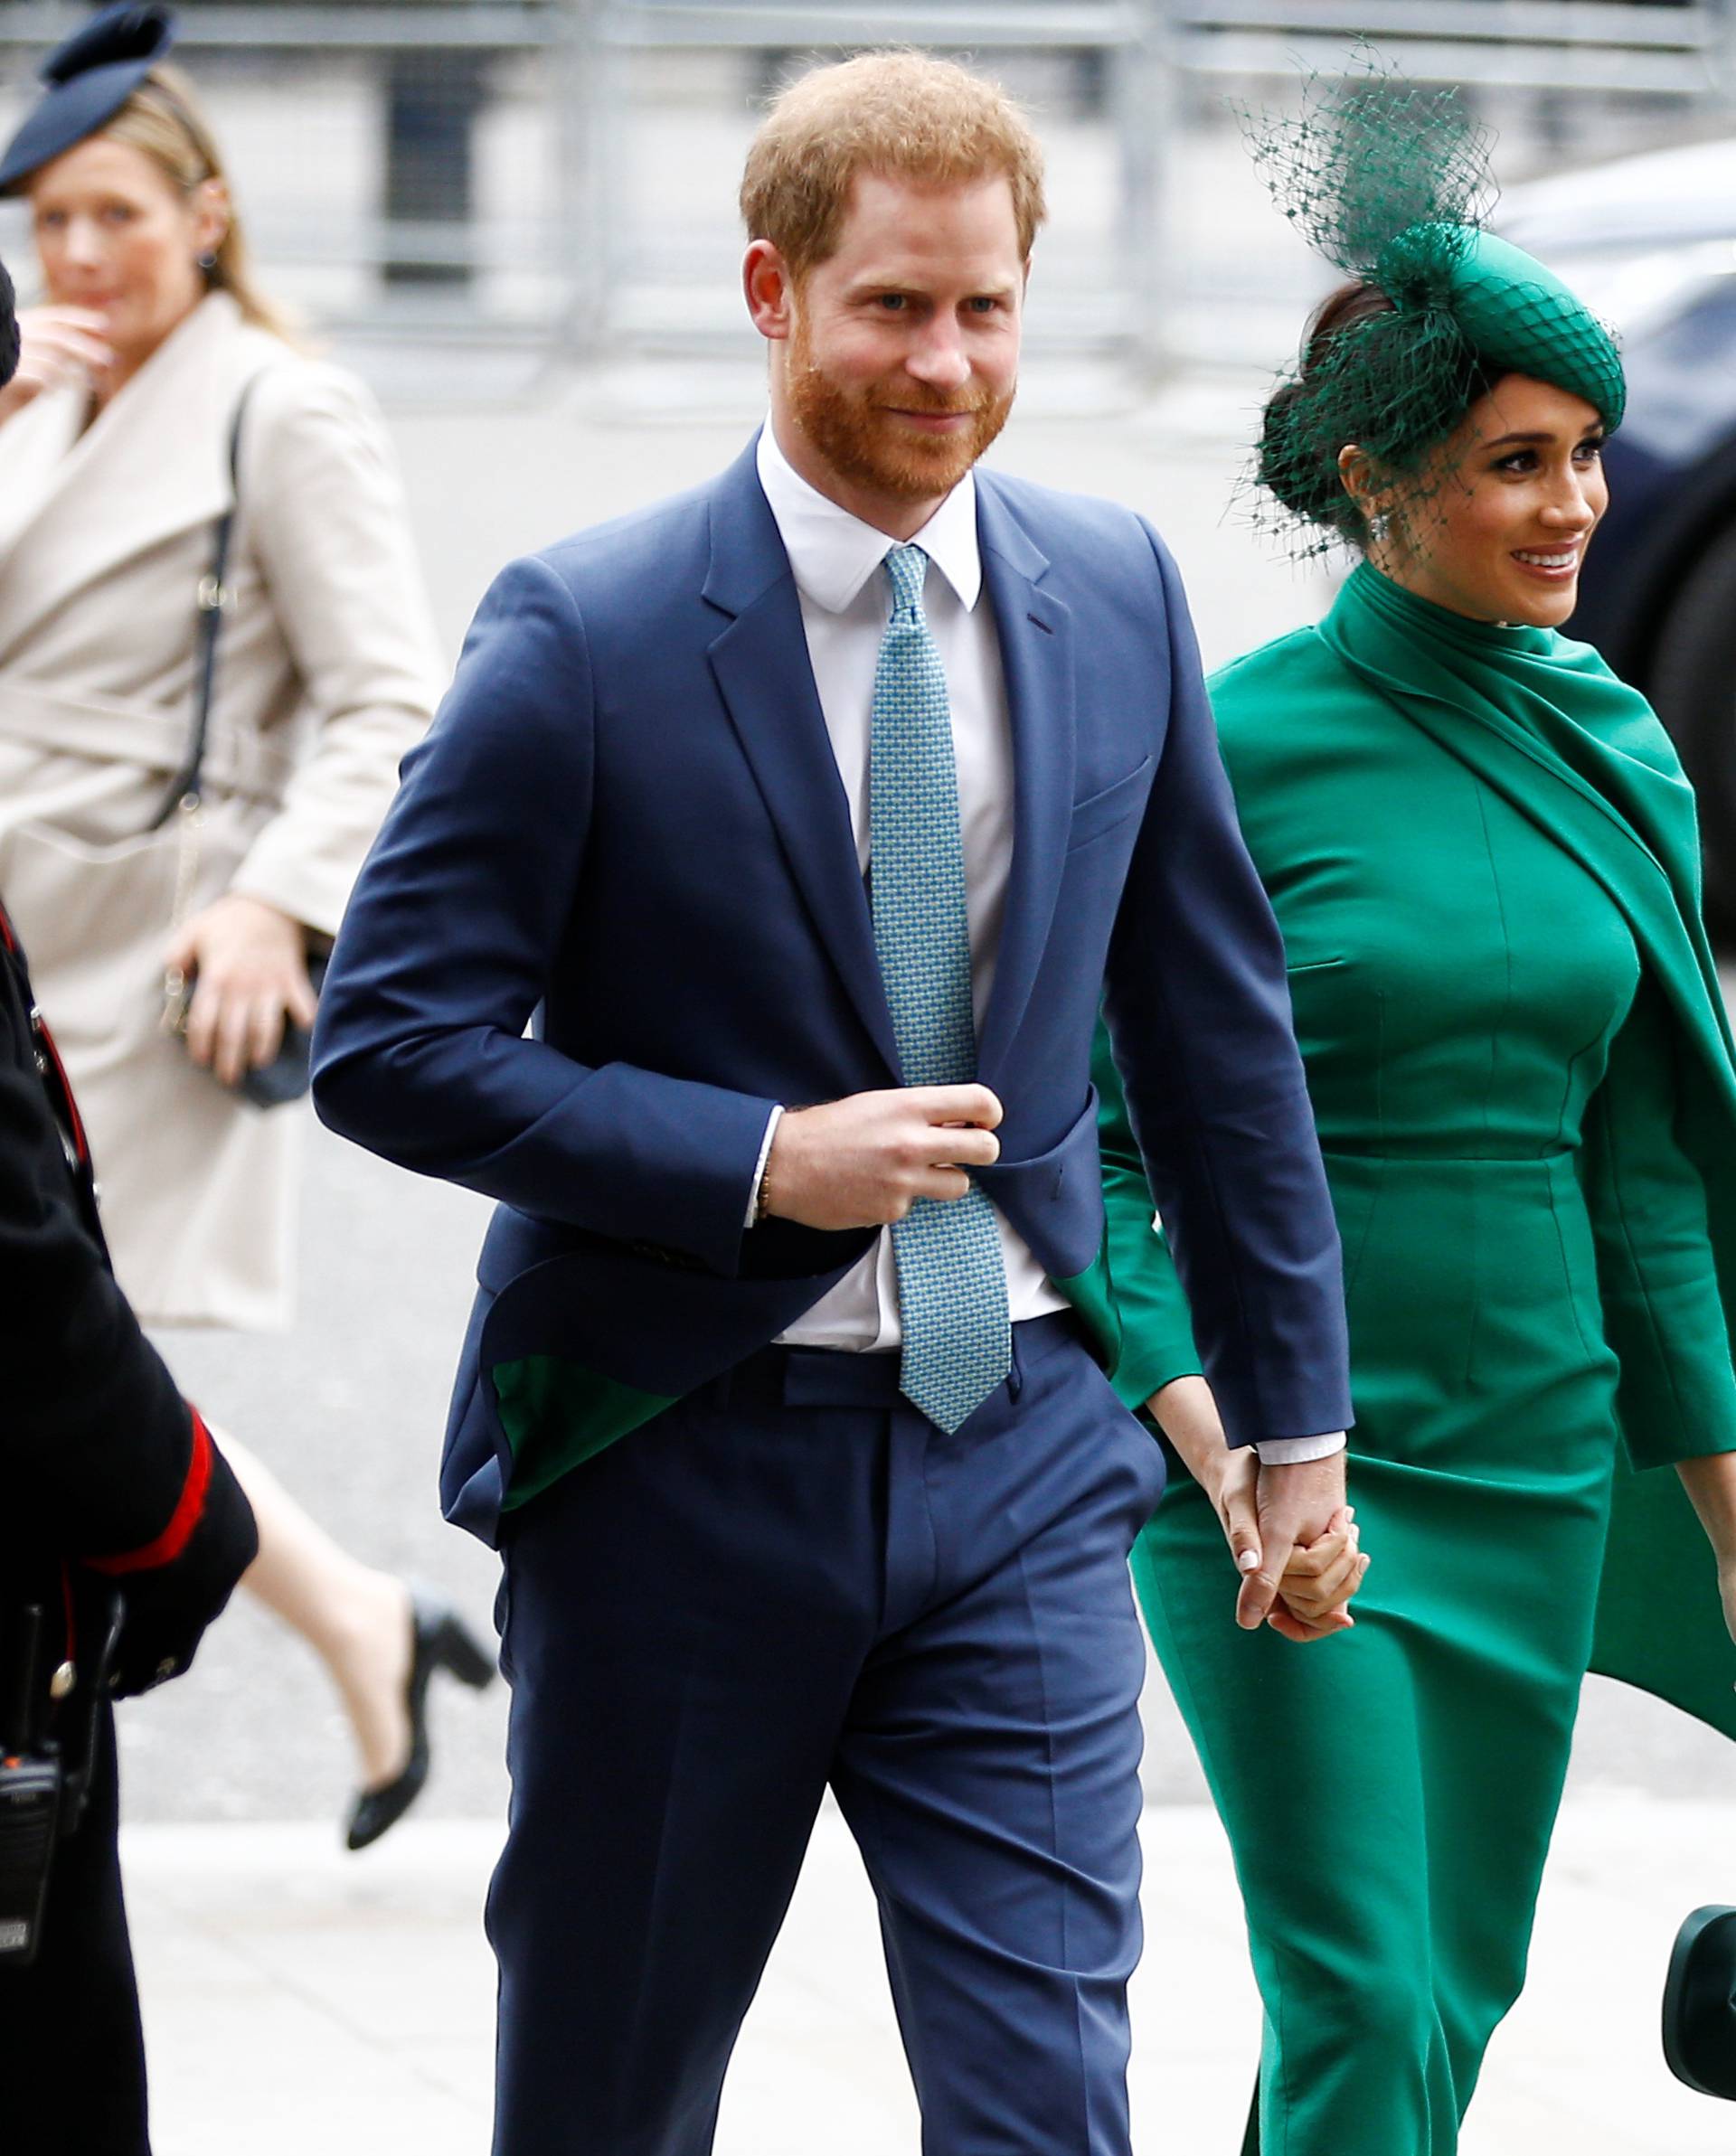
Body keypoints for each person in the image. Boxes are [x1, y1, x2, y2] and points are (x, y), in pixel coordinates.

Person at [313, 50, 1355, 2155]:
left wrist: (1295, 1417)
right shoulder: (588, 632)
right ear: (773, 290)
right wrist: (756, 1159)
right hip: (682, 1472)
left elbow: (1217, 1030)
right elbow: (388, 1040)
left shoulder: (1118, 589)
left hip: (1026, 1464)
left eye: (986, 308)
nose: (946, 362)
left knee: (1051, 2105)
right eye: (893, 305)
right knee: (611, 2094)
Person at [1116, 72, 1736, 2156]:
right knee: (1364, 1995)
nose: (1574, 506)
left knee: (1440, 2008)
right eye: (1512, 465)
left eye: (1582, 456)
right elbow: (1106, 1148)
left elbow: (1645, 1174)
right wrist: (1217, 1442)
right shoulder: (1228, 746)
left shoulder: (1620, 741)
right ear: (1372, 480)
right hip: (1292, 1469)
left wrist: (1735, 1519)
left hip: (1541, 1452)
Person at [0, 3, 490, 1850]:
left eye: (115, 214)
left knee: (63, 1365)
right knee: (68, 1369)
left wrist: (280, 901)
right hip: (25, 929)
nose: (78, 255)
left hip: (149, 954)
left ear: (207, 215)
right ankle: (362, 1621)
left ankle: (287, 1645)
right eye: (46, 222)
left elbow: (388, 694)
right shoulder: (49, 391)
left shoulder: (283, 405)